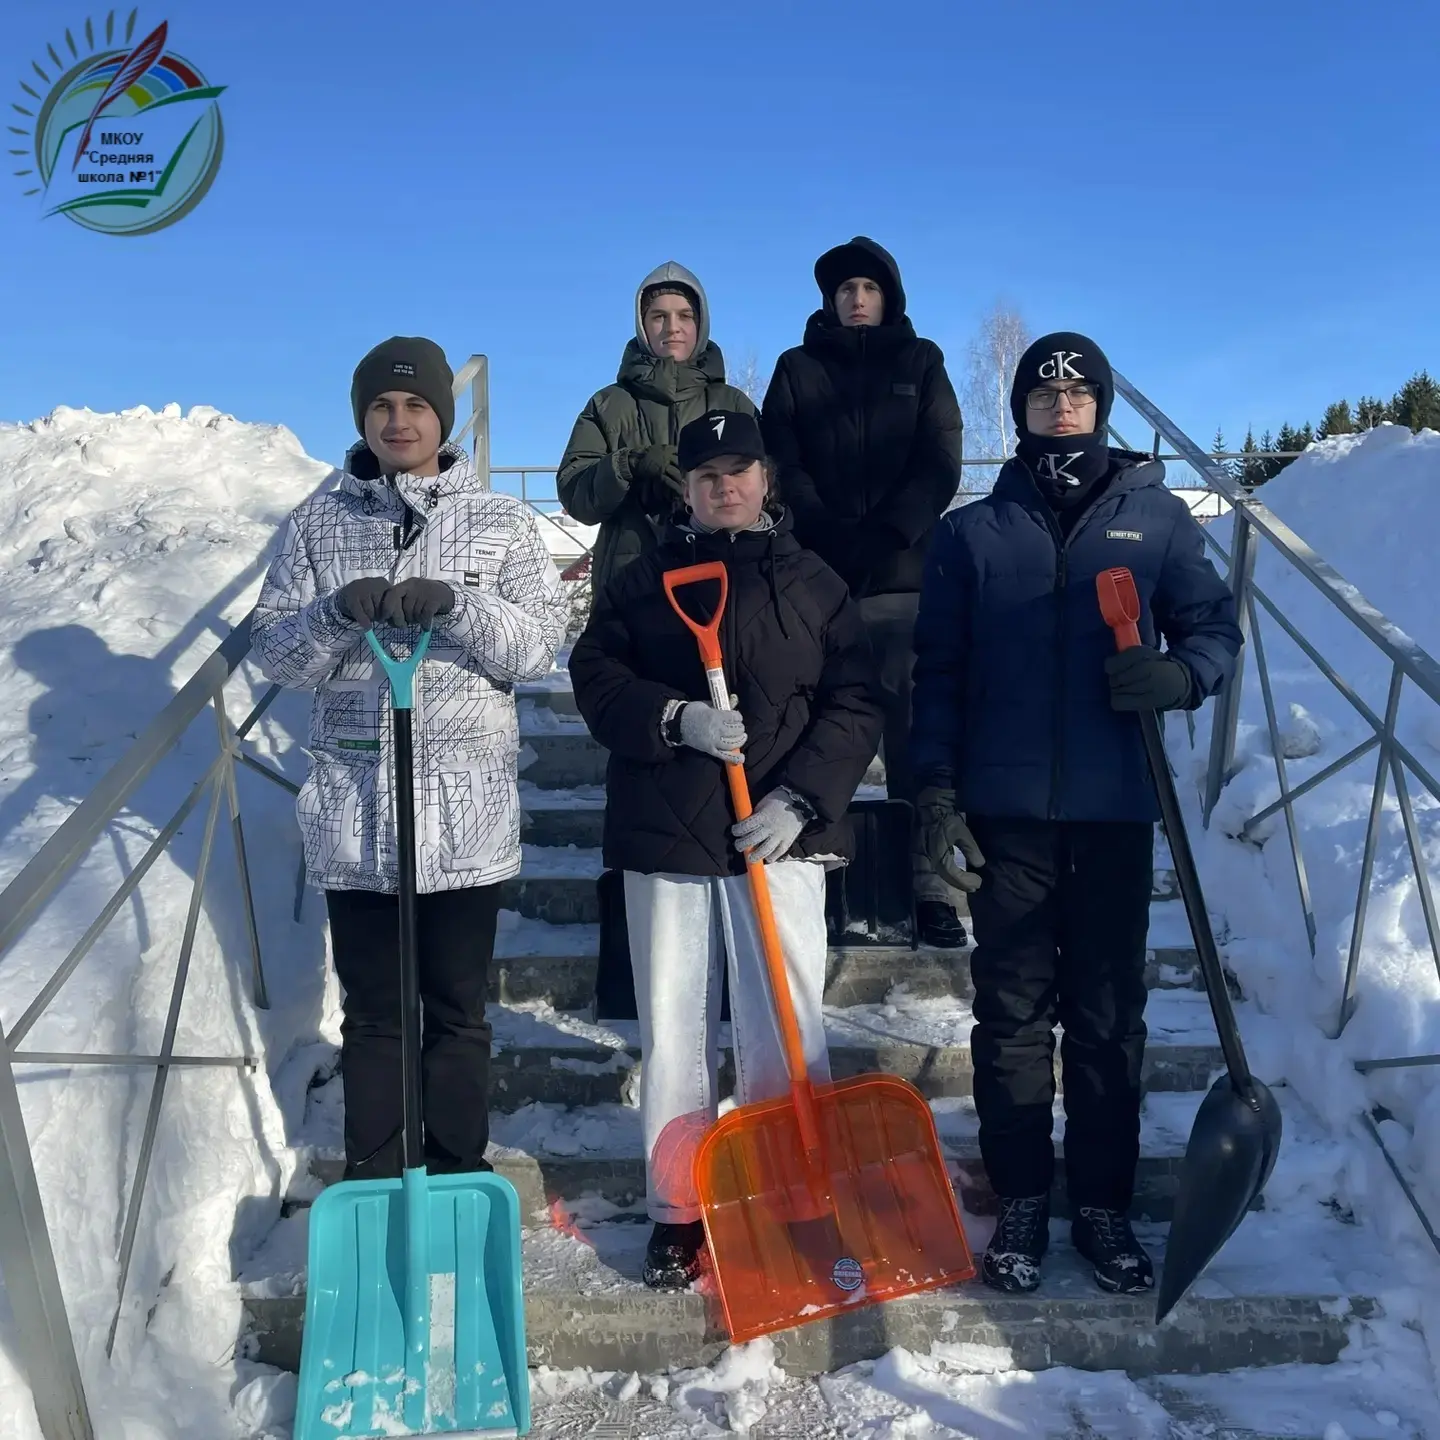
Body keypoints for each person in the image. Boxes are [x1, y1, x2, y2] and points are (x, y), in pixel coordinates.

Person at [910, 332, 1243, 1296]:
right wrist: (935, 794)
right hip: (1004, 813)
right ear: (1019, 409)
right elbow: (937, 677)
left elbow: (1215, 629)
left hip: (1114, 810)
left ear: (1102, 406)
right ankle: (1021, 1194)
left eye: (1080, 391)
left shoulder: (1158, 520)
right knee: (1011, 1014)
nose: (1062, 404)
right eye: (1043, 392)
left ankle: (1100, 1202)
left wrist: (1179, 675)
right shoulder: (971, 534)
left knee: (1106, 1016)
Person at [568, 409, 882, 1290]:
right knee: (674, 1024)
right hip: (665, 831)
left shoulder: (815, 583)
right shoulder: (644, 581)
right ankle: (677, 1209)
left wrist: (803, 798)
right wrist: (674, 718)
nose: (724, 487)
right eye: (706, 475)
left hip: (778, 837)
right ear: (689, 489)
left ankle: (797, 1192)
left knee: (785, 1020)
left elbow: (858, 699)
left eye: (739, 471)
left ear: (766, 478)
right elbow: (596, 676)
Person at [252, 336, 569, 1181]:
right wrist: (332, 613)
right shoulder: (317, 525)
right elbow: (275, 655)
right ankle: (377, 1173)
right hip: (356, 821)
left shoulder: (500, 523)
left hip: (465, 822)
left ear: (444, 418)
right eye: (383, 406)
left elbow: (538, 646)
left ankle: (457, 1168)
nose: (399, 420)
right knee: (374, 1016)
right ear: (362, 416)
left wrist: (460, 606)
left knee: (457, 1013)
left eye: (417, 405)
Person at [760, 236, 964, 949]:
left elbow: (939, 458)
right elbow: (779, 460)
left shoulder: (922, 362)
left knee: (913, 733)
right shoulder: (796, 368)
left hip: (902, 577)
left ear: (889, 298)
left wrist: (890, 531)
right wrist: (822, 531)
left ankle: (931, 884)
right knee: (810, 726)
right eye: (845, 288)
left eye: (869, 288)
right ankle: (812, 872)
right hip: (816, 578)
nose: (856, 298)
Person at [558, 262, 757, 598]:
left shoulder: (734, 404)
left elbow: (768, 486)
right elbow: (575, 494)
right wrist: (627, 465)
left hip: (722, 578)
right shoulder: (609, 404)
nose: (672, 327)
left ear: (701, 323)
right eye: (659, 316)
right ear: (642, 324)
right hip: (629, 585)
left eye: (685, 316)